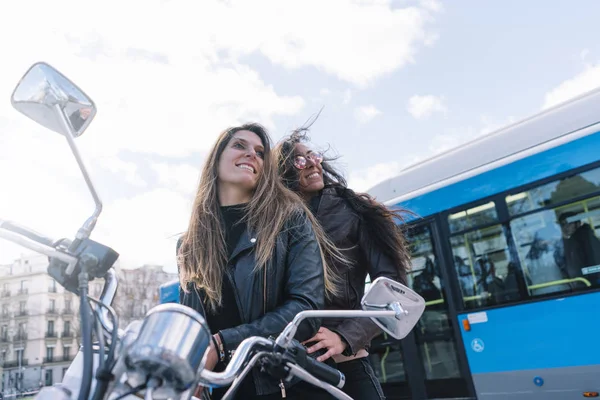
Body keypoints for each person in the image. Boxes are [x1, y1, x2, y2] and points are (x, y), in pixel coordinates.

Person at [177, 123, 339, 399]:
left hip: (288, 386)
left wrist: (222, 344)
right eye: (240, 145)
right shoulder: (189, 245)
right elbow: (191, 326)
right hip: (227, 390)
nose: (252, 154)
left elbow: (306, 309)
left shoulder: (289, 218)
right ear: (216, 160)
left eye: (261, 152)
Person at [274, 128, 411, 400]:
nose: (313, 163)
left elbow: (393, 287)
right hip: (292, 373)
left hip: (346, 366)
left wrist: (344, 338)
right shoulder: (274, 226)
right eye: (299, 161)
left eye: (313, 156)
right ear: (283, 174)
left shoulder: (354, 209)